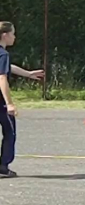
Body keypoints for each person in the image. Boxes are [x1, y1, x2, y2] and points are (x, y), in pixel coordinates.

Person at [0, 22, 45, 178]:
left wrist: (28, 73)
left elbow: (8, 67)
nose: (14, 36)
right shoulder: (3, 54)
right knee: (10, 132)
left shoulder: (2, 55)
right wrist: (9, 103)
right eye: (12, 33)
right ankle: (3, 167)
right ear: (5, 35)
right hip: (1, 103)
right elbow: (2, 77)